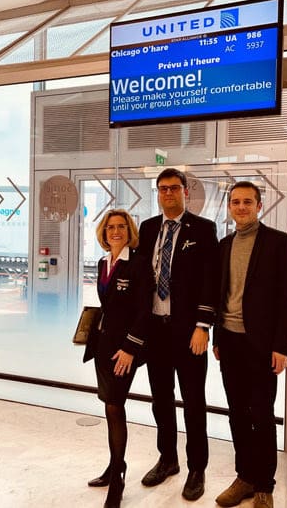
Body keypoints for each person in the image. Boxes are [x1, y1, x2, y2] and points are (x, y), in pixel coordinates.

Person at [213, 181, 287, 508]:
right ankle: (244, 477)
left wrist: (283, 347)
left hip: (262, 345)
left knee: (261, 414)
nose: (241, 207)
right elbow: (221, 297)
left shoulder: (279, 243)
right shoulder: (224, 245)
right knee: (236, 413)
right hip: (230, 342)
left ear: (259, 205)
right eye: (235, 202)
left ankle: (264, 484)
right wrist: (218, 337)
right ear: (229, 207)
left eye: (247, 202)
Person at [137, 168, 218, 501]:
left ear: (186, 191)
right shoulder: (147, 228)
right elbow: (142, 276)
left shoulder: (202, 229)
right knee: (160, 399)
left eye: (173, 188)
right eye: (162, 189)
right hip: (156, 329)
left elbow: (211, 280)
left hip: (188, 333)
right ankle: (167, 459)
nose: (167, 193)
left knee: (194, 401)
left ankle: (197, 467)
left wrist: (203, 326)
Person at [83, 209, 154, 508]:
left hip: (124, 350)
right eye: (111, 227)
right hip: (102, 346)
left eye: (121, 227)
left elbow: (144, 312)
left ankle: (119, 476)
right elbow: (108, 305)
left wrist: (130, 348)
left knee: (115, 407)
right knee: (108, 406)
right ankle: (113, 466)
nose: (116, 231)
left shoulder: (138, 265)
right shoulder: (103, 262)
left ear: (129, 231)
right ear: (104, 231)